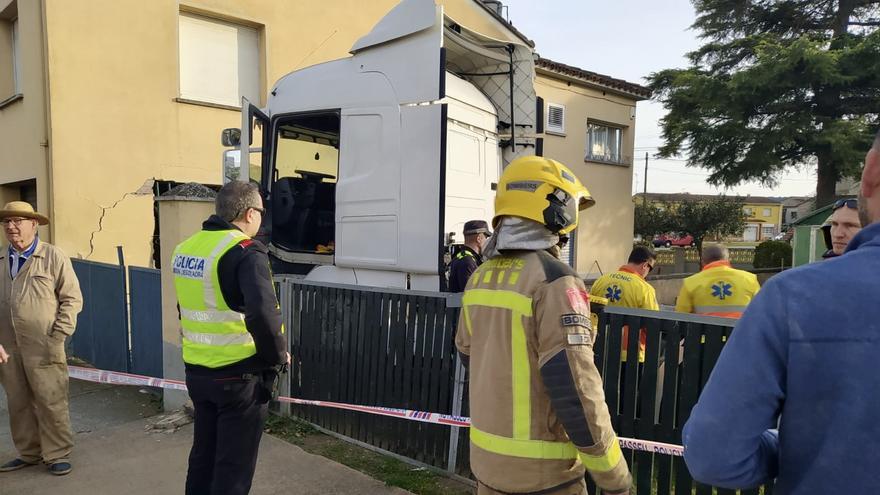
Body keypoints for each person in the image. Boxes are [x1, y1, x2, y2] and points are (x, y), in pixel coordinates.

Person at [682, 131, 880, 493]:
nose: (838, 233)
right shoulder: (752, 281)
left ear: (870, 173)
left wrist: (786, 447)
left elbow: (714, 454)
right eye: (834, 226)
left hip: (721, 364)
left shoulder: (795, 295)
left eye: (847, 226)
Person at [455, 156, 631, 495]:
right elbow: (577, 389)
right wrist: (615, 479)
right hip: (545, 477)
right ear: (557, 210)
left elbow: (469, 355)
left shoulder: (480, 276)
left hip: (487, 468)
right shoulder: (556, 280)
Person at [173, 181, 289, 495]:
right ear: (251, 213)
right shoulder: (245, 252)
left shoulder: (185, 249)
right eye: (261, 212)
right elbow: (263, 315)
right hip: (238, 378)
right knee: (232, 469)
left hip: (197, 373)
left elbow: (187, 307)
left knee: (204, 456)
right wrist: (278, 357)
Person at [0, 201, 83, 476]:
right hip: (8, 348)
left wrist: (58, 334)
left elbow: (72, 299)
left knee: (51, 399)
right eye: (7, 222)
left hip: (45, 343)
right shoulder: (1, 259)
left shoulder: (52, 256)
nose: (11, 227)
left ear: (33, 224)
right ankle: (29, 452)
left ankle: (57, 453)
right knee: (17, 401)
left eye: (18, 221)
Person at [589, 246, 659, 363]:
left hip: (599, 349)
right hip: (629, 354)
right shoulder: (645, 289)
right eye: (650, 269)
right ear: (645, 265)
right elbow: (652, 324)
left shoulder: (601, 280)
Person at [674, 244, 759, 318]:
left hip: (703, 336)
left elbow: (680, 316)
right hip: (740, 336)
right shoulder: (749, 279)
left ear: (703, 262)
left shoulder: (690, 282)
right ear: (727, 259)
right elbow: (761, 311)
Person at [447, 220, 491, 292]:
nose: (486, 242)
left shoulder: (461, 256)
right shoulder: (468, 262)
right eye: (486, 238)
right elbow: (472, 293)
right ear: (479, 238)